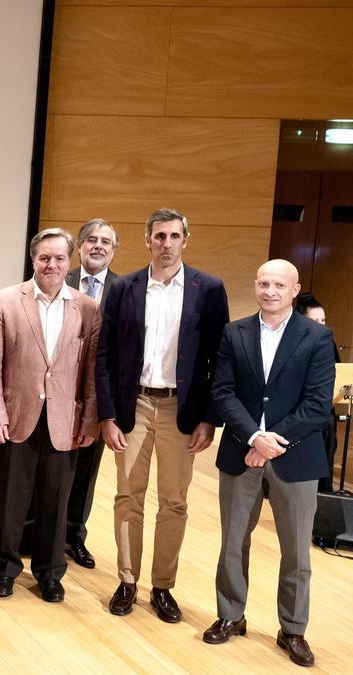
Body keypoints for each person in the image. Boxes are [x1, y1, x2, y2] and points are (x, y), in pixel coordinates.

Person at [96, 207, 229, 622]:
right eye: (159, 236)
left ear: (185, 240)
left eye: (174, 236)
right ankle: (127, 580)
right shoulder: (124, 288)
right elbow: (104, 355)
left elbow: (217, 359)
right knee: (127, 496)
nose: (166, 243)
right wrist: (107, 415)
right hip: (132, 403)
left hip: (181, 409)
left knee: (173, 501)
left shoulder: (209, 289)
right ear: (147, 240)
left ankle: (163, 587)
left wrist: (209, 417)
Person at [204, 260, 335, 668]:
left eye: (279, 284)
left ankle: (292, 629)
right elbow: (222, 391)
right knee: (232, 542)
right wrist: (254, 436)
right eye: (263, 283)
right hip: (241, 453)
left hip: (295, 458)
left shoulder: (317, 337)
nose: (270, 291)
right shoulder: (234, 332)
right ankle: (231, 615)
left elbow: (317, 405)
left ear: (295, 290)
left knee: (296, 551)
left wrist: (270, 442)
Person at [0, 229, 100, 603]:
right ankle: (5, 569)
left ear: (69, 261)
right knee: (10, 498)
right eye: (45, 258)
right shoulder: (5, 301)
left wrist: (89, 420)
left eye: (59, 258)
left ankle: (50, 572)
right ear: (34, 260)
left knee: (56, 499)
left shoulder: (87, 307)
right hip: (16, 416)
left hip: (65, 420)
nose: (52, 265)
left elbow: (91, 372)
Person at [61, 218, 119, 569]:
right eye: (91, 240)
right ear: (79, 246)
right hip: (55, 390)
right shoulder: (57, 277)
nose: (98, 246)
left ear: (113, 250)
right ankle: (37, 534)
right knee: (49, 466)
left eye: (106, 242)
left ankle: (72, 537)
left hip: (98, 394)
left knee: (85, 469)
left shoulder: (124, 288)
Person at [296, 292, 341, 493]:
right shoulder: (293, 343)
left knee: (325, 458)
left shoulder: (327, 343)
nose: (321, 325)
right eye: (315, 321)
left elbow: (338, 374)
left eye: (323, 320)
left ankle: (324, 502)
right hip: (298, 414)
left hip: (324, 414)